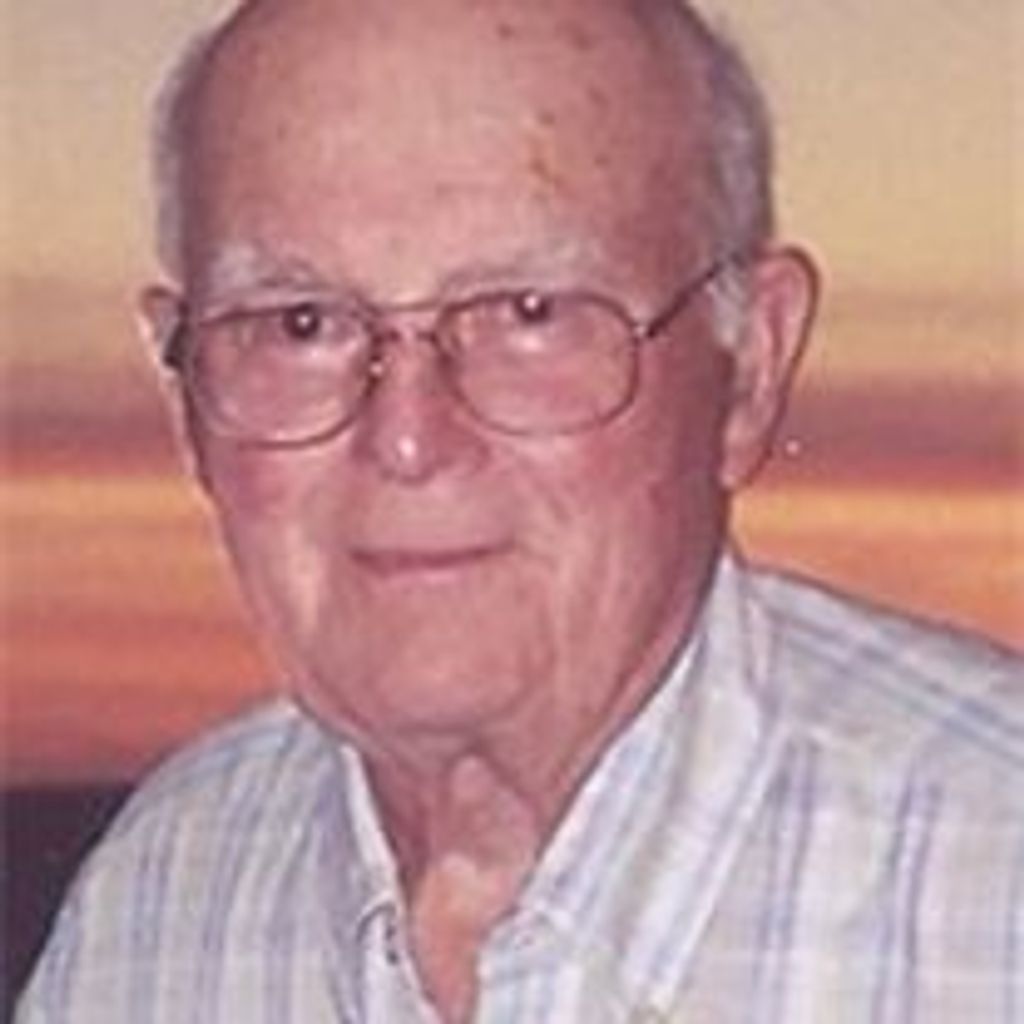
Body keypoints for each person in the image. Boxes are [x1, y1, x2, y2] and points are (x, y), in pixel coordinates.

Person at [18, 0, 1022, 1021]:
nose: (407, 439)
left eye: (528, 313)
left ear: (751, 370)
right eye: (300, 324)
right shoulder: (157, 908)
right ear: (184, 401)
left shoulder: (993, 895)